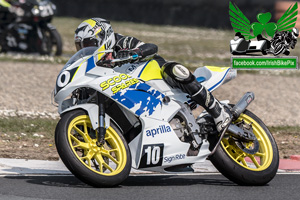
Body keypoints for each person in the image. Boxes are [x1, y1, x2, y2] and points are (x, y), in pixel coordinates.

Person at [74, 18, 231, 132]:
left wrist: (132, 54)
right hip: (132, 93)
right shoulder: (95, 64)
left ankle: (218, 111)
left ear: (103, 37)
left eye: (88, 44)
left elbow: (151, 47)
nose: (86, 49)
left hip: (155, 75)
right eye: (80, 46)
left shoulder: (120, 42)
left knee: (175, 69)